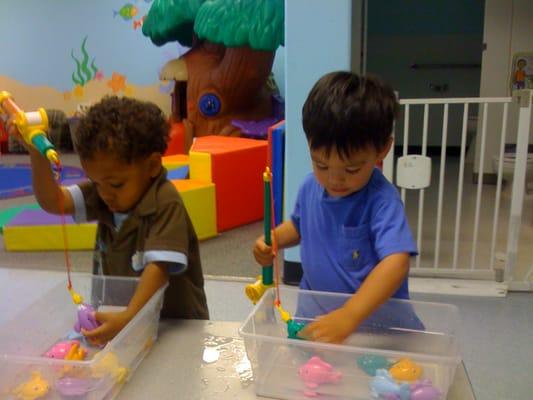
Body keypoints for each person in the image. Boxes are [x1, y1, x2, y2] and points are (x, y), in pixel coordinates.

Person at [10, 96, 209, 345]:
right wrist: (35, 152)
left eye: (116, 184)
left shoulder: (165, 203)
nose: (105, 194)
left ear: (152, 166)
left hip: (175, 330)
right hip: (123, 322)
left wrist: (129, 319)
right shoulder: (105, 192)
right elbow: (53, 201)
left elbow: (158, 270)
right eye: (97, 183)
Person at [253, 71, 417, 344]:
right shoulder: (309, 187)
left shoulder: (381, 201)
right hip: (316, 320)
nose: (335, 179)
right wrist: (273, 241)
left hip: (372, 330)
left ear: (382, 150)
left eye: (352, 168)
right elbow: (299, 225)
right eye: (321, 164)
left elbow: (396, 263)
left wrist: (350, 315)